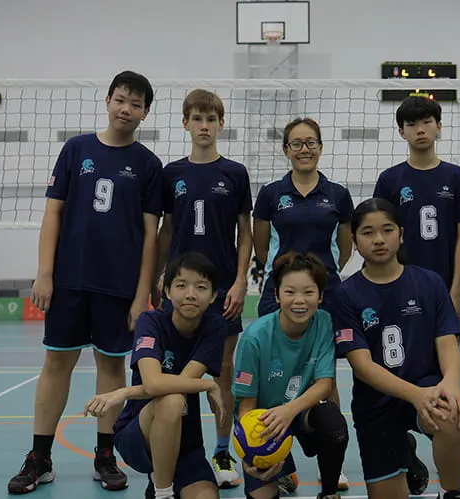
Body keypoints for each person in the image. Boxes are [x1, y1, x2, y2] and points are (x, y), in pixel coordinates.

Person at [7, 70, 161, 495]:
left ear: (145, 113)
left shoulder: (149, 165)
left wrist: (141, 294)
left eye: (136, 104)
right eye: (121, 100)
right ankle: (39, 456)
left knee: (111, 366)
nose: (126, 109)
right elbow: (53, 214)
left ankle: (105, 454)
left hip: (118, 285)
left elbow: (150, 235)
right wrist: (45, 272)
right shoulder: (76, 150)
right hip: (70, 280)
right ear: (107, 101)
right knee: (57, 363)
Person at [332, 198, 460, 499]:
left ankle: (452, 491)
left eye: (387, 229)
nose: (379, 239)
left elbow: (448, 343)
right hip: (376, 404)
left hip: (426, 387)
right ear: (354, 241)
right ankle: (405, 455)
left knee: (452, 413)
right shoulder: (345, 295)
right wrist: (414, 395)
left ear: (402, 233)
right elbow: (362, 365)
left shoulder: (429, 283)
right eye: (368, 233)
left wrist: (450, 381)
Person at [372, 95, 460, 492]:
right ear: (401, 132)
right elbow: (380, 233)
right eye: (412, 124)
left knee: (444, 372)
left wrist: (455, 287)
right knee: (397, 368)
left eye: (427, 121)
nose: (420, 129)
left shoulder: (456, 177)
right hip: (399, 292)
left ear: (438, 126)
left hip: (442, 292)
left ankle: (451, 456)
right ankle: (402, 448)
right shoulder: (391, 180)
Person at [154, 88, 252, 488]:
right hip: (178, 288)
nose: (205, 126)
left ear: (221, 124)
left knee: (223, 372)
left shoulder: (234, 173)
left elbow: (245, 233)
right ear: (185, 124)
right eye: (197, 119)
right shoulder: (171, 173)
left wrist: (242, 279)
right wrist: (159, 275)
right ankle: (174, 450)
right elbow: (166, 230)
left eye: (211, 119)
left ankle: (222, 450)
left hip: (222, 287)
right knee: (173, 370)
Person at [252, 117, 353, 492]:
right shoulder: (270, 193)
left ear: (321, 147)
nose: (304, 149)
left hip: (325, 295)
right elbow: (261, 245)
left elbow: (345, 246)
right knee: (272, 376)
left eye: (311, 142)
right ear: (286, 150)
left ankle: (333, 459)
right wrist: (286, 279)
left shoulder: (338, 194)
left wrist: (318, 279)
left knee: (327, 374)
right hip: (279, 293)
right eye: (296, 143)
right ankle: (278, 458)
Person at [85, 252, 226, 499]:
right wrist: (207, 386)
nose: (191, 294)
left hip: (186, 444)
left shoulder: (213, 328)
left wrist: (123, 392)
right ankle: (162, 493)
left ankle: (162, 481)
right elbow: (155, 383)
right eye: (181, 286)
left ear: (213, 295)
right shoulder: (151, 322)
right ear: (168, 292)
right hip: (139, 433)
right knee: (171, 400)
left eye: (201, 287)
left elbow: (177, 382)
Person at [232, 252, 349, 499]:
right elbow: (246, 406)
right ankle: (282, 466)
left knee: (334, 425)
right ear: (276, 295)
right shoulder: (254, 338)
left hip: (299, 412)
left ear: (320, 296)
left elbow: (325, 383)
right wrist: (250, 454)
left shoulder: (324, 322)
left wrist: (289, 411)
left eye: (308, 292)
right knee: (262, 491)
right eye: (289, 292)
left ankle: (329, 493)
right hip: (264, 420)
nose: (299, 301)